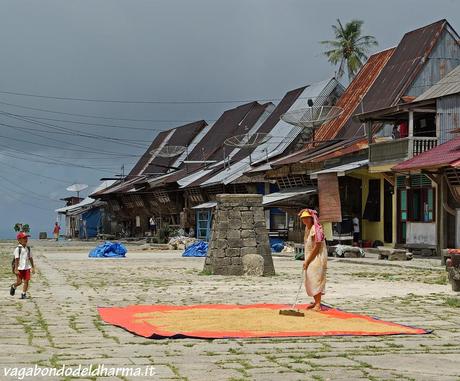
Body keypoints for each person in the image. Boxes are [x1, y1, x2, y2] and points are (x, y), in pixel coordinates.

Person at [299, 209, 328, 312]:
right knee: (310, 278)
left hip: (317, 256)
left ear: (311, 218)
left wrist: (308, 261)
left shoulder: (316, 229)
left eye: (306, 218)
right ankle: (316, 302)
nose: (304, 220)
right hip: (311, 256)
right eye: (303, 218)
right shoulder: (308, 228)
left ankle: (318, 304)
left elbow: (317, 246)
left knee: (316, 279)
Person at [10, 232, 35, 299]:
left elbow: (30, 258)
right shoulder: (18, 249)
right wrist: (16, 269)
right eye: (24, 238)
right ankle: (14, 286)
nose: (26, 239)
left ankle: (23, 294)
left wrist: (33, 267)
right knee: (19, 282)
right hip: (19, 268)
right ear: (19, 240)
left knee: (26, 281)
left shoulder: (28, 248)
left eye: (26, 238)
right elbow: (16, 259)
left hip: (27, 268)